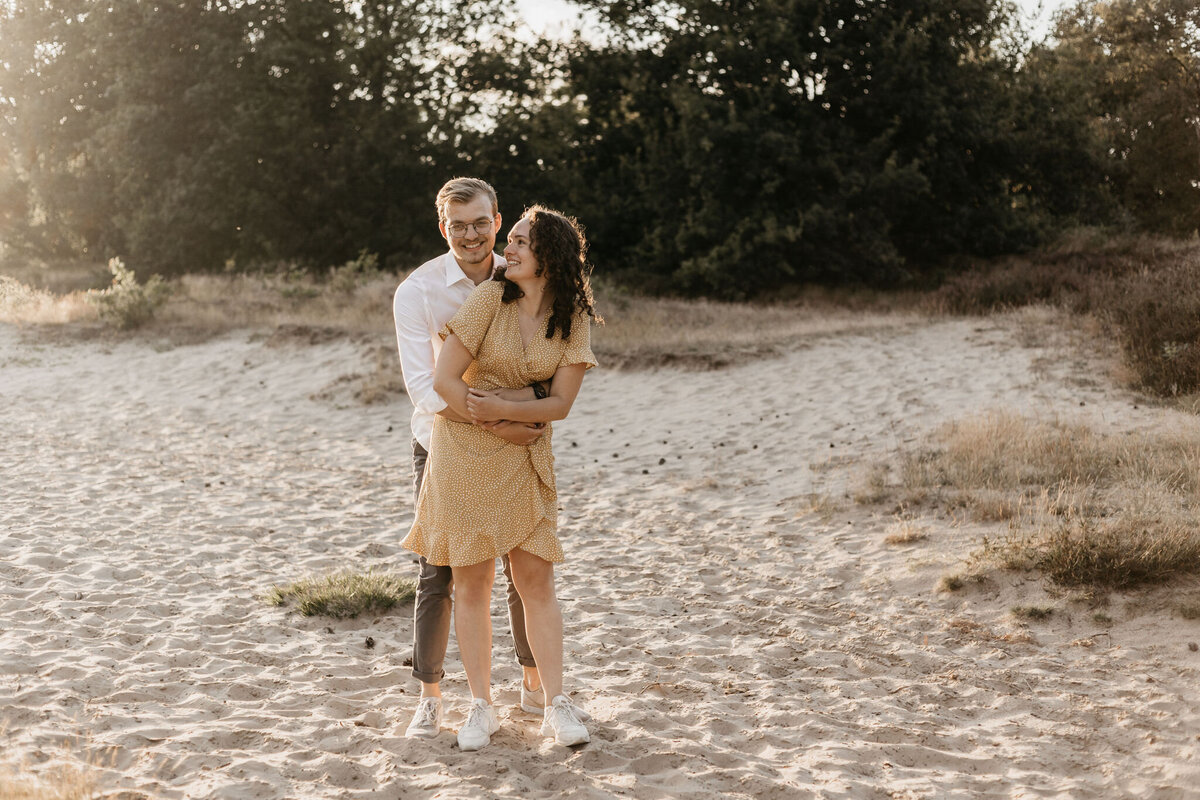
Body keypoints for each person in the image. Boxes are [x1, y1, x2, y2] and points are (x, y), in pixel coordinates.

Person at [402, 205, 600, 750]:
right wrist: (504, 419)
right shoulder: (490, 298)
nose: (504, 249)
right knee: (471, 585)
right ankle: (481, 707)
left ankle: (555, 704)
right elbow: (444, 380)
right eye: (507, 238)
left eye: (516, 242)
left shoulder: (573, 316)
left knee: (536, 581)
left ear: (549, 257)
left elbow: (560, 403)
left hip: (525, 453)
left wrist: (511, 415)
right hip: (462, 449)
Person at [392, 177, 550, 740]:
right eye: (458, 225)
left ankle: (533, 685)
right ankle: (430, 697)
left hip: (515, 440)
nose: (471, 235)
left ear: (498, 220)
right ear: (443, 228)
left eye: (481, 222)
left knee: (521, 563)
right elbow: (424, 389)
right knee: (439, 572)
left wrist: (518, 422)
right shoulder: (419, 292)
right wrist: (503, 421)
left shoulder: (525, 279)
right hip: (444, 442)